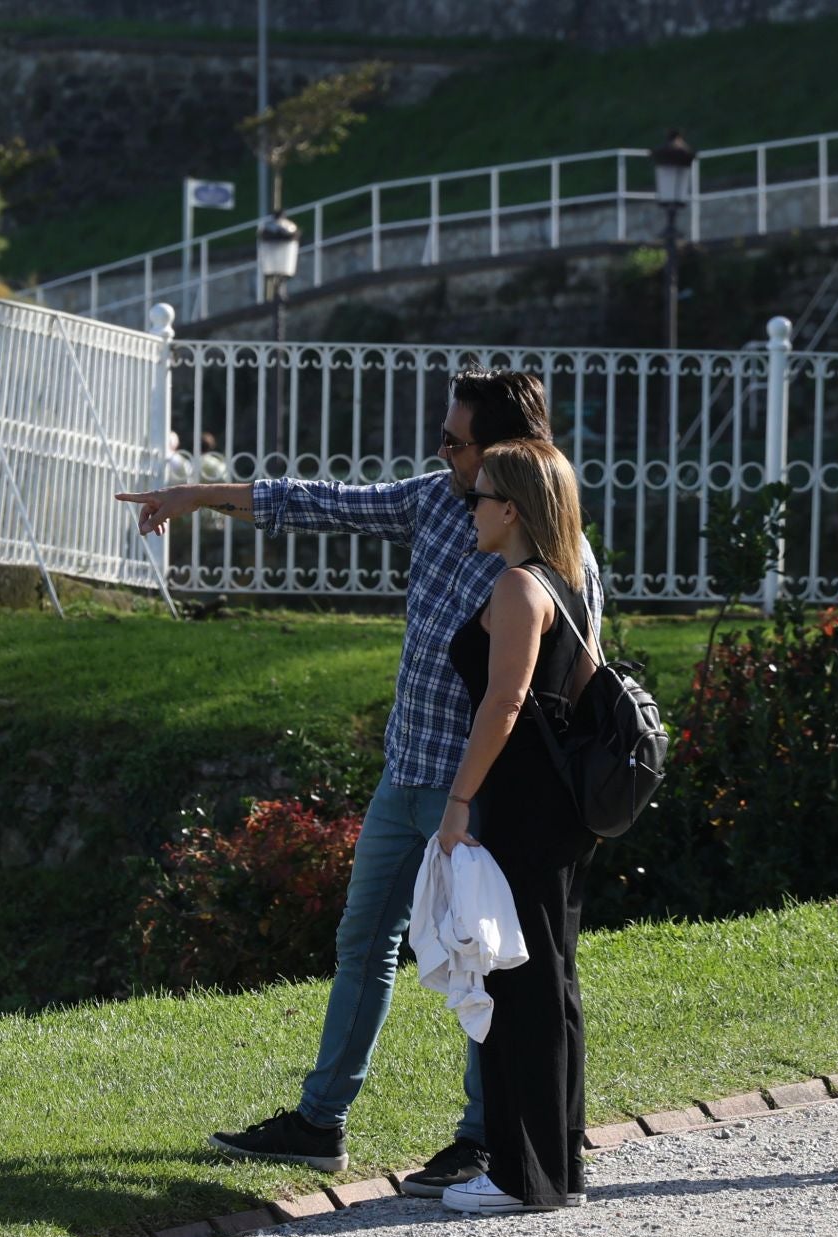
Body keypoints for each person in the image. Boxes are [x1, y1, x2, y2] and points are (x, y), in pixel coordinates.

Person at [115, 369, 601, 1193]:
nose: (441, 453)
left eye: (454, 442)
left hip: (478, 797)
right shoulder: (433, 501)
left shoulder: (558, 556)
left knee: (482, 963)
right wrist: (195, 494)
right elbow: (322, 501)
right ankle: (319, 1123)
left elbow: (563, 683)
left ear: (505, 458)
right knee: (360, 947)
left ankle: (483, 1140)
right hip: (405, 772)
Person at [435, 438, 598, 1213]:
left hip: (520, 806)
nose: (469, 508)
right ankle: (558, 1168)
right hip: (562, 811)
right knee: (554, 982)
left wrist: (459, 801)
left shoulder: (515, 589)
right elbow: (586, 685)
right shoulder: (566, 585)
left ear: (511, 509)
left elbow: (503, 704)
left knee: (519, 984)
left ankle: (519, 1177)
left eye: (480, 497)